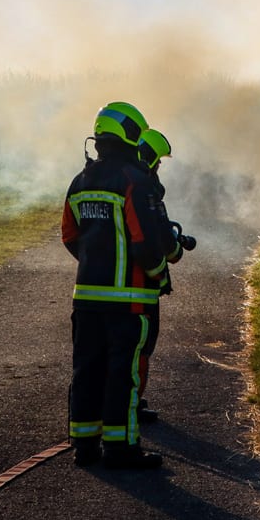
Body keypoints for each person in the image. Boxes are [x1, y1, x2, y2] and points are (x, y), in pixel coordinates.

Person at [61, 101, 180, 469]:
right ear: (131, 135)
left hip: (86, 299)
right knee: (122, 376)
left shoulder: (80, 181)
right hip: (128, 302)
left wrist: (97, 263)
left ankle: (84, 445)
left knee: (87, 372)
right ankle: (121, 448)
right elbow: (146, 243)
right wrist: (159, 275)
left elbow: (69, 236)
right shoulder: (134, 180)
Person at [131, 127, 183, 424]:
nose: (159, 167)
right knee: (140, 348)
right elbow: (162, 243)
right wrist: (173, 254)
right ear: (150, 158)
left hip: (98, 288)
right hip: (140, 291)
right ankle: (131, 406)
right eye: (158, 161)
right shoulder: (145, 191)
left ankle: (109, 404)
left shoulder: (108, 182)